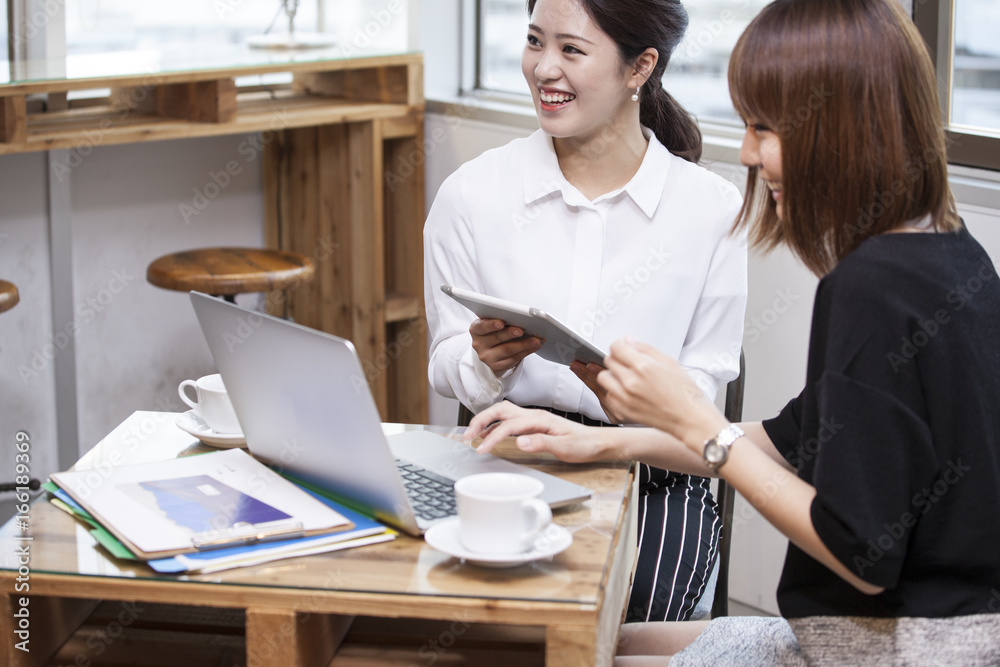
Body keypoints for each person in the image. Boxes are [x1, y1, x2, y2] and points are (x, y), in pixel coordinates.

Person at [464, 0, 1000, 663]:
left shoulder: (872, 287)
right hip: (914, 633)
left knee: (554, 653)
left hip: (902, 647)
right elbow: (785, 440)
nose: (747, 152)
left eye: (764, 128)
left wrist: (702, 424)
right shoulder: (949, 250)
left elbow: (862, 555)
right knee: (594, 642)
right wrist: (594, 441)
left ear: (842, 129)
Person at [423, 0, 748, 622]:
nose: (544, 68)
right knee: (468, 625)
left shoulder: (709, 211)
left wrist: (627, 412)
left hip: (649, 470)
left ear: (640, 68)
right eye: (534, 41)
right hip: (507, 456)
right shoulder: (473, 194)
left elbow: (702, 398)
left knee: (617, 629)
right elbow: (444, 363)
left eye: (571, 50)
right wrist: (481, 361)